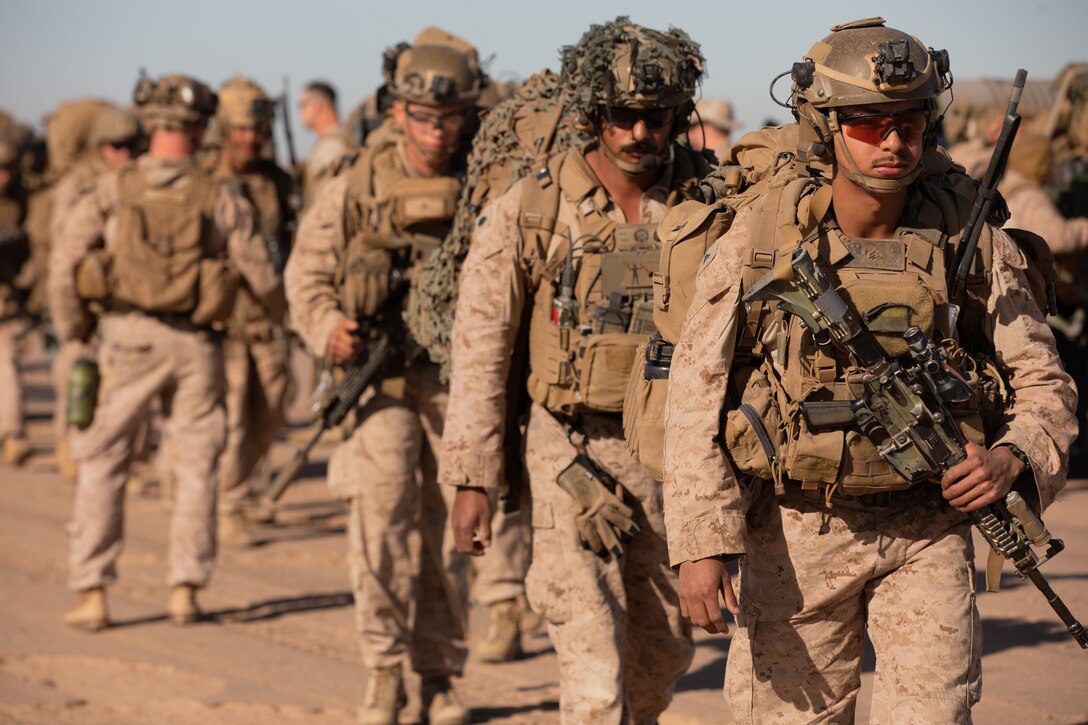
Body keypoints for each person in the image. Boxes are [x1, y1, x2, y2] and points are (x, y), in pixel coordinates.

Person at [664, 18, 1077, 723]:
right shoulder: (763, 234)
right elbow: (692, 395)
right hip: (797, 533)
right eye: (868, 122)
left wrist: (1011, 458)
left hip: (928, 526)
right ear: (824, 125)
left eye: (911, 119)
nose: (895, 140)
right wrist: (701, 545)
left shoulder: (968, 233)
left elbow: (1046, 381)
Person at [441, 18, 712, 723]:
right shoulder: (532, 208)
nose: (638, 135)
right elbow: (479, 348)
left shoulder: (709, 204)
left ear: (678, 117)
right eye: (622, 117)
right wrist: (472, 478)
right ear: (595, 115)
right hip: (568, 448)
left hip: (672, 456)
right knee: (592, 660)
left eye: (655, 119)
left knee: (660, 655)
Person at [285, 28, 485, 725]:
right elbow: (305, 275)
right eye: (423, 117)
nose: (436, 131)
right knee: (378, 528)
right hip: (380, 384)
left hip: (457, 385)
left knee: (450, 535)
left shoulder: (484, 183)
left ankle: (437, 674)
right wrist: (327, 328)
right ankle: (381, 672)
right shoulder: (354, 185)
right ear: (397, 111)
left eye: (450, 116)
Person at [51, 72, 285, 631]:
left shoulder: (112, 187)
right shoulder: (218, 196)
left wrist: (77, 332)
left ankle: (92, 593)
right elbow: (261, 273)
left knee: (103, 462)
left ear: (149, 125)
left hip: (125, 340)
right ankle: (185, 588)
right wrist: (282, 320)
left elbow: (65, 266)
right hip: (197, 347)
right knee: (197, 467)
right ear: (204, 128)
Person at [208, 76, 296, 545]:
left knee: (279, 406)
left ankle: (239, 486)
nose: (250, 138)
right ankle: (230, 503)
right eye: (241, 128)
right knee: (235, 418)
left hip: (270, 318)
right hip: (226, 320)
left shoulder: (276, 180)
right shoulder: (209, 178)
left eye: (257, 129)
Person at [48, 104, 143, 480]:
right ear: (100, 146)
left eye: (132, 146)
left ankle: (125, 462)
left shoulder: (139, 182)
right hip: (86, 305)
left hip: (127, 307)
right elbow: (63, 253)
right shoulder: (80, 186)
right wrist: (73, 322)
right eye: (116, 146)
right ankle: (70, 447)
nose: (125, 155)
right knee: (77, 380)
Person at [0, 131, 32, 466]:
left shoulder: (22, 202)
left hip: (5, 299)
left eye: (7, 169)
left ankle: (12, 434)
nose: (3, 177)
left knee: (7, 363)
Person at [298, 80, 348, 210]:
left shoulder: (332, 148)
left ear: (317, 107)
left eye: (303, 105)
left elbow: (326, 205)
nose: (300, 112)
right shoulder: (333, 142)